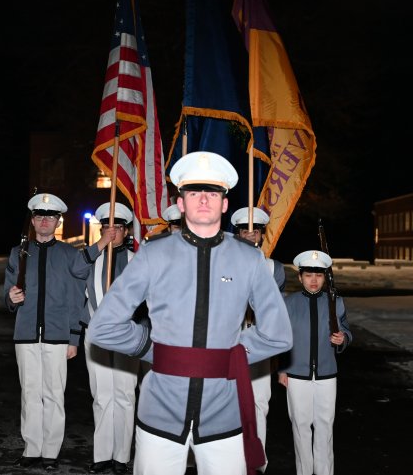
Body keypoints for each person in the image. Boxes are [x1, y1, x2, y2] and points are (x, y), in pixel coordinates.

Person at [86, 151, 293, 475]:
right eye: (194, 193)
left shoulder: (249, 259)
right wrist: (154, 350)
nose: (204, 200)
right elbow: (103, 328)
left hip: (224, 412)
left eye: (213, 193)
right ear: (181, 203)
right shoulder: (153, 255)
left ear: (225, 204)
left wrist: (231, 356)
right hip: (160, 411)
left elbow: (278, 334)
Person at [4, 193, 110, 470]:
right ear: (33, 221)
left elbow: (77, 298)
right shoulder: (18, 253)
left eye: (50, 217)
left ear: (58, 222)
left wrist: (74, 337)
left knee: (53, 394)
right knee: (29, 393)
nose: (44, 221)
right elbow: (8, 291)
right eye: (39, 216)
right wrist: (10, 298)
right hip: (25, 334)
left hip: (58, 334)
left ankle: (50, 451)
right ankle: (31, 449)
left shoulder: (69, 254)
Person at [278, 250, 352, 475]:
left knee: (325, 426)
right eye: (308, 275)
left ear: (325, 278)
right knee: (301, 426)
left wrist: (342, 338)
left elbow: (346, 330)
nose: (313, 280)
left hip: (326, 373)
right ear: (300, 277)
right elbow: (282, 339)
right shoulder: (289, 303)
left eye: (318, 276)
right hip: (297, 373)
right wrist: (282, 369)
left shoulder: (335, 302)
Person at [84, 202, 139, 474]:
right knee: (102, 395)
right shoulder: (88, 259)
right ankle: (102, 454)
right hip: (96, 333)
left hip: (127, 334)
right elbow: (74, 275)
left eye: (118, 226)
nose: (112, 231)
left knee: (125, 395)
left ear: (126, 231)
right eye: (107, 226)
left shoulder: (136, 261)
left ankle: (121, 456)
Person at [230, 206, 285, 472]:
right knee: (230, 404)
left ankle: (257, 463)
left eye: (255, 231)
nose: (251, 236)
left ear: (262, 235)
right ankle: (233, 462)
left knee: (259, 403)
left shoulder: (274, 268)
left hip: (259, 344)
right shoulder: (224, 264)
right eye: (245, 231)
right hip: (230, 343)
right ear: (237, 235)